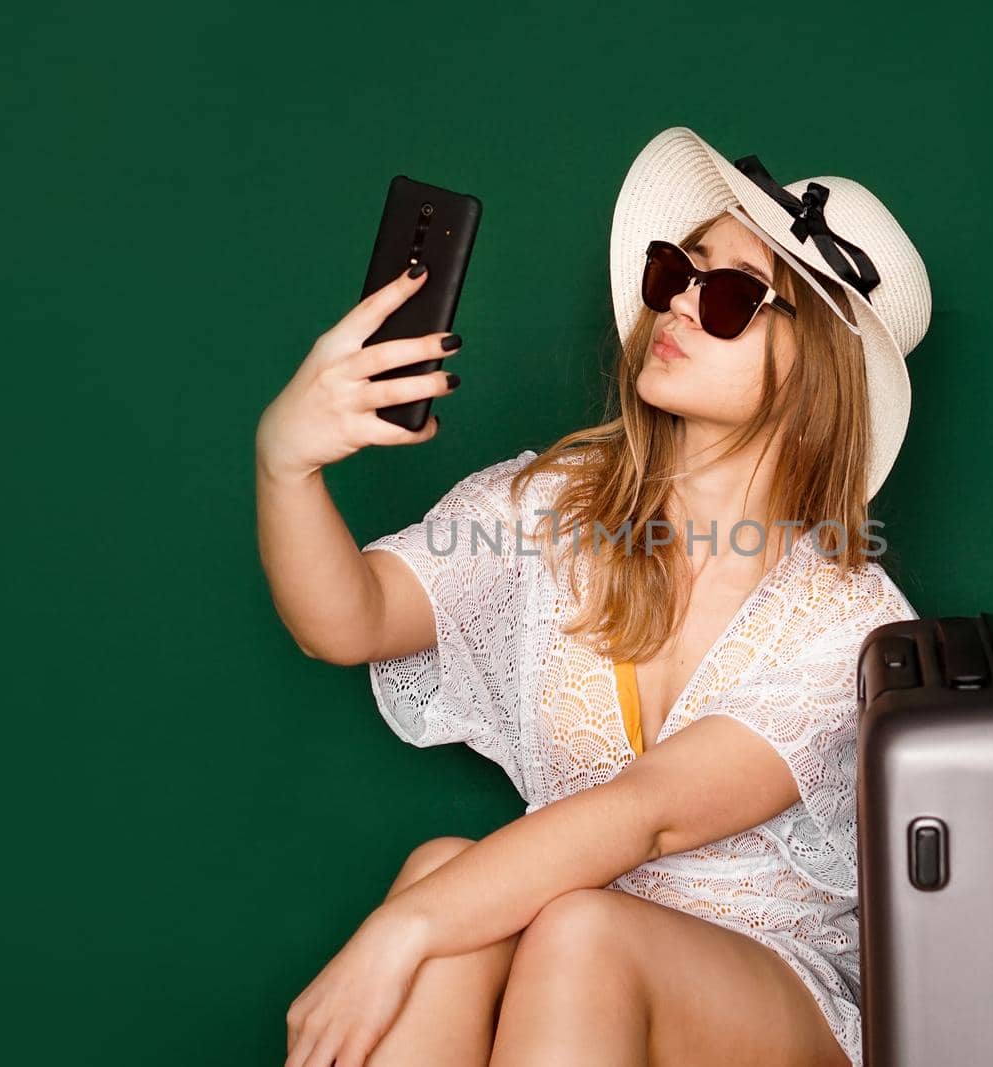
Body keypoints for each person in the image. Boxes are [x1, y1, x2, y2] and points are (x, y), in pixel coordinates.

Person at [256, 125, 934, 1067]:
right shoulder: (553, 506)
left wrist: (396, 932)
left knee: (553, 925)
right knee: (445, 872)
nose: (683, 305)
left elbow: (647, 811)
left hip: (770, 996)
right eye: (675, 271)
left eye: (733, 295)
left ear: (816, 367)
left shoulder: (852, 624)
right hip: (573, 944)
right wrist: (286, 465)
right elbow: (351, 620)